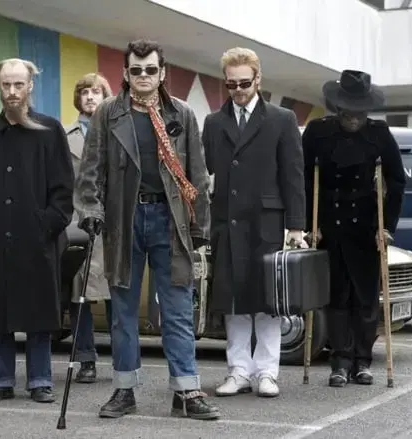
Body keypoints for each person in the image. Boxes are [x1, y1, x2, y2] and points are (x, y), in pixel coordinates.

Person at [74, 39, 219, 421]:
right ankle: (124, 391)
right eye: (136, 70)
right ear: (125, 73)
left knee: (178, 310)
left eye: (150, 69)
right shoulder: (108, 113)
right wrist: (90, 210)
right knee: (122, 312)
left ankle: (186, 391)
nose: (143, 76)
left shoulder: (182, 113)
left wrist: (200, 226)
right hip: (124, 221)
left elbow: (198, 174)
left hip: (171, 222)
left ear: (162, 73)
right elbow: (90, 170)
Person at [0, 58, 75, 403]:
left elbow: (64, 189)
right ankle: (0, 380)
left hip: (38, 238)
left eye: (18, 84)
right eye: (6, 84)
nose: (12, 91)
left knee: (39, 312)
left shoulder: (50, 130)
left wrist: (46, 224)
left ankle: (40, 380)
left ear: (30, 86)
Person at [201, 47, 306, 399]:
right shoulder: (214, 123)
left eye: (244, 83)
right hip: (227, 222)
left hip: (267, 223)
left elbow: (293, 175)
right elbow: (204, 173)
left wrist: (296, 226)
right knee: (233, 301)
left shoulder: (282, 119)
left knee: (267, 302)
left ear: (258, 79)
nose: (238, 90)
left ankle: (266, 372)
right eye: (231, 84)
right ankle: (239, 371)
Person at [302, 69, 406, 387]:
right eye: (349, 113)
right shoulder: (318, 132)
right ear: (338, 109)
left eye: (360, 113)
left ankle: (362, 361)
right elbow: (304, 179)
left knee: (365, 299)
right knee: (336, 298)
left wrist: (387, 227)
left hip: (365, 229)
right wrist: (309, 225)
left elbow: (397, 181)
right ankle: (340, 362)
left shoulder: (379, 134)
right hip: (330, 226)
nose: (354, 120)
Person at [64, 72, 114, 384]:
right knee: (78, 297)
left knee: (116, 296)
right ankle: (86, 360)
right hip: (77, 225)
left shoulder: (117, 133)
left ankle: (123, 360)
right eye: (84, 92)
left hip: (110, 225)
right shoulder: (63, 135)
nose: (90, 97)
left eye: (96, 91)